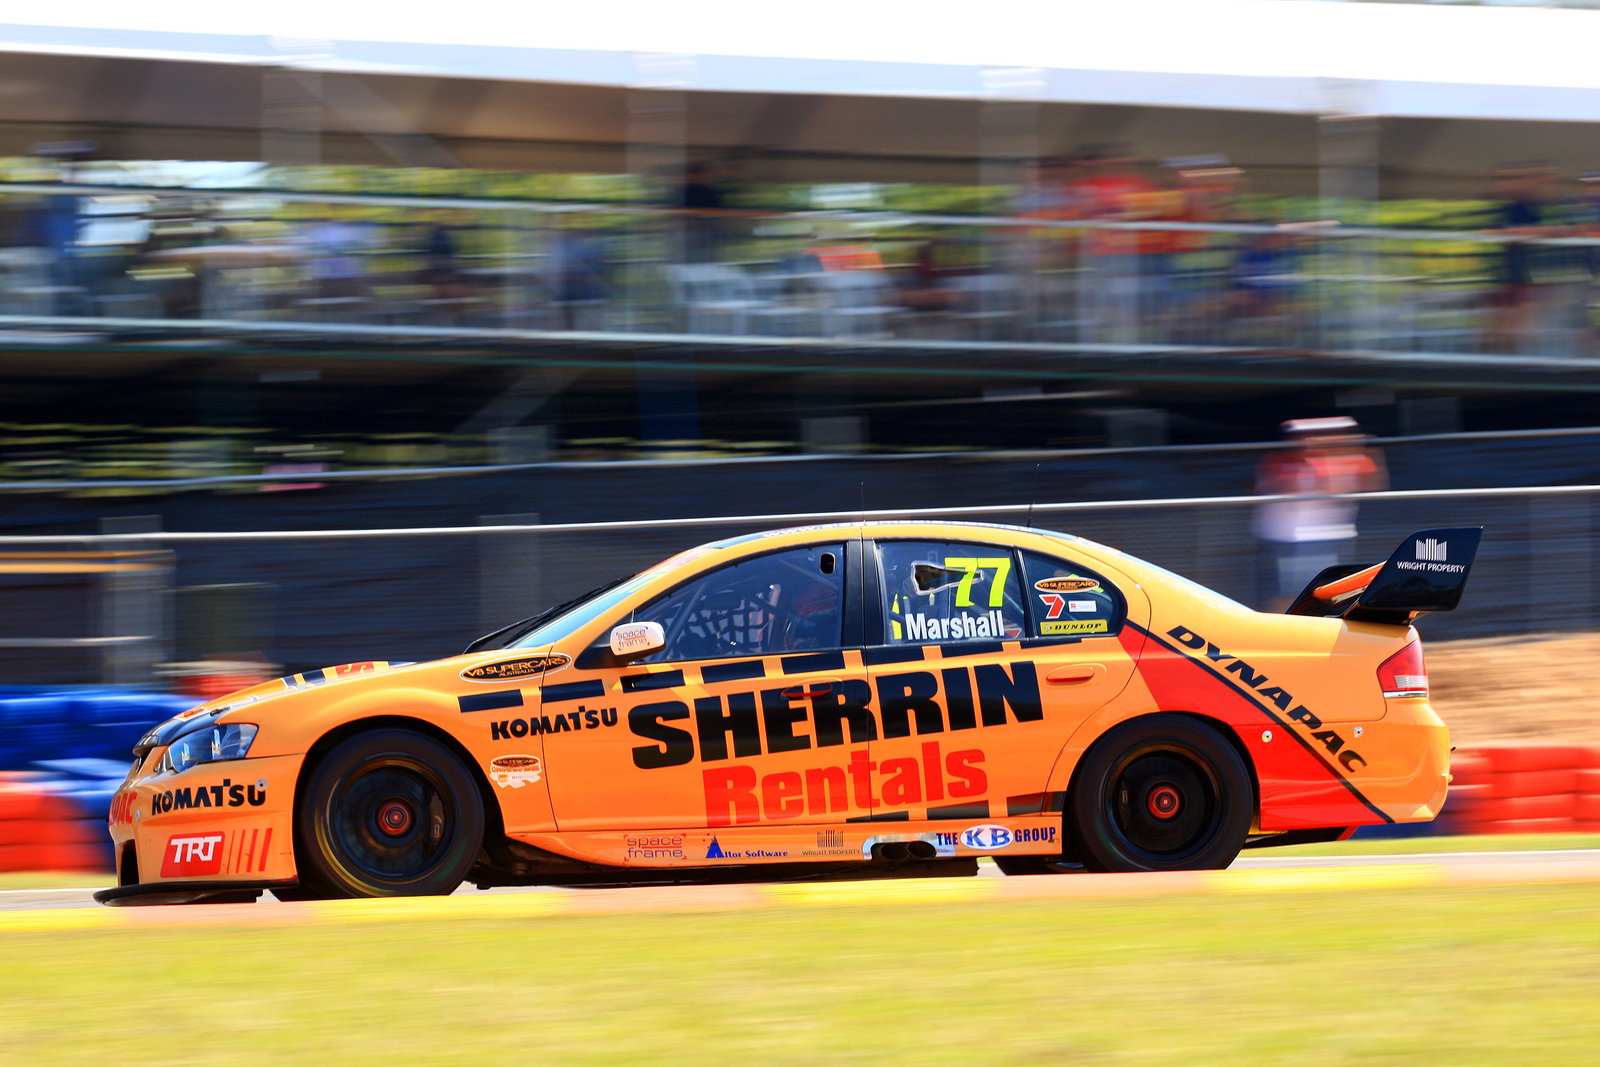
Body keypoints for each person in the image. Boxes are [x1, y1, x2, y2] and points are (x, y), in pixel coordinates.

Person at [1253, 417, 1387, 610]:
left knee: (1328, 592)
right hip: (1295, 539)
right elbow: (1287, 486)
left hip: (1334, 537)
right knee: (1295, 594)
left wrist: (1354, 452)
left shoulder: (1354, 459)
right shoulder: (1284, 461)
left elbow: (1372, 484)